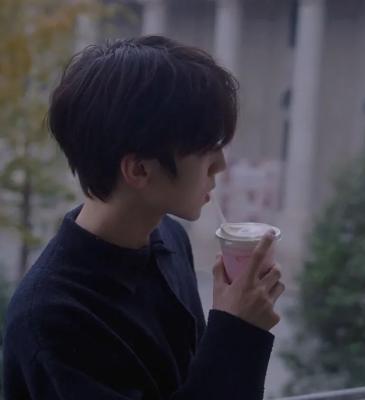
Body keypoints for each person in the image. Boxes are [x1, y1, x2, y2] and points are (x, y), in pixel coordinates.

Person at [3, 36, 285, 400]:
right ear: (139, 170)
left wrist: (229, 321)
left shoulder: (169, 237)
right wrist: (238, 331)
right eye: (205, 149)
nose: (220, 165)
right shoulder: (52, 318)